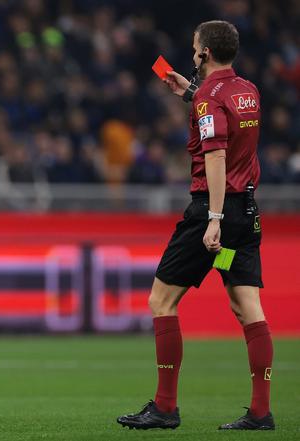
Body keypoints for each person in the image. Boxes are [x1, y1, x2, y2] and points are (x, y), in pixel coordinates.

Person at [117, 20, 274, 431]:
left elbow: (217, 155)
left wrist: (213, 219)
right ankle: (261, 413)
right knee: (246, 305)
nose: (192, 54)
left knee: (161, 301)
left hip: (212, 218)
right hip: (246, 217)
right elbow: (230, 126)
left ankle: (165, 407)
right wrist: (189, 93)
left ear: (204, 52)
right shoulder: (248, 91)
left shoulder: (209, 97)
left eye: (194, 47)